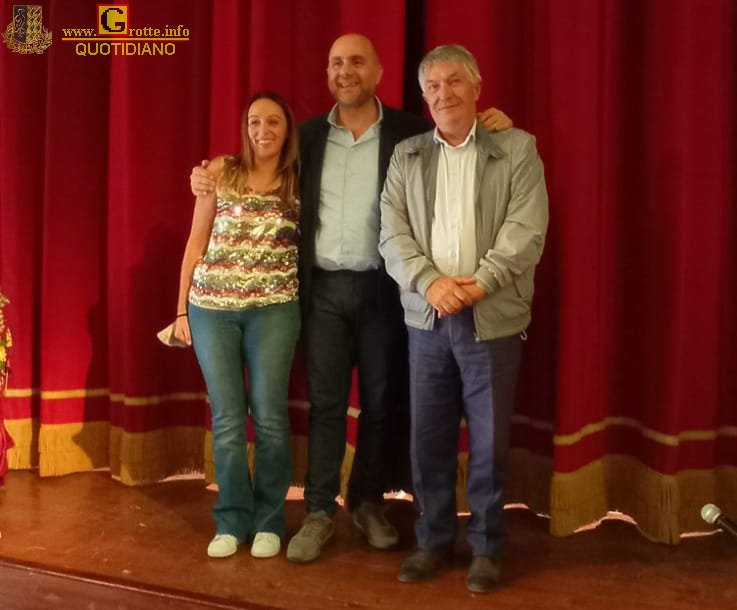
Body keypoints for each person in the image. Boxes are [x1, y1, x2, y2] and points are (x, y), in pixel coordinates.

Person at [190, 34, 513, 564]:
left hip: (386, 288)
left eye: (357, 61)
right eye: (336, 62)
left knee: (381, 402)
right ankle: (319, 510)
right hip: (320, 291)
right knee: (326, 404)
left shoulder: (411, 130)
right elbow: (254, 165)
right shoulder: (306, 136)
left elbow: (459, 135)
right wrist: (208, 176)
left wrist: (492, 123)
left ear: (378, 71)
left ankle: (367, 502)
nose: (346, 71)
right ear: (327, 73)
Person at [379, 44, 549, 593]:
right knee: (427, 440)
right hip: (427, 320)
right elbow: (392, 235)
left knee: (490, 444)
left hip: (491, 318)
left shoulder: (516, 148)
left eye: (454, 81)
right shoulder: (406, 156)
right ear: (423, 96)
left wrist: (479, 284)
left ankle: (486, 547)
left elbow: (526, 229)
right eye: (432, 86)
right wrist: (431, 283)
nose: (443, 93)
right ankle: (432, 540)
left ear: (477, 87)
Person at [174, 91, 301, 560]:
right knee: (227, 418)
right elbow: (196, 241)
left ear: (287, 129)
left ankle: (269, 521)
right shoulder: (221, 171)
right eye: (254, 122)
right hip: (212, 309)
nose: (262, 130)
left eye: (273, 121)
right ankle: (231, 519)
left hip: (275, 310)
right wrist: (181, 310)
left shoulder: (299, 177)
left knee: (269, 416)